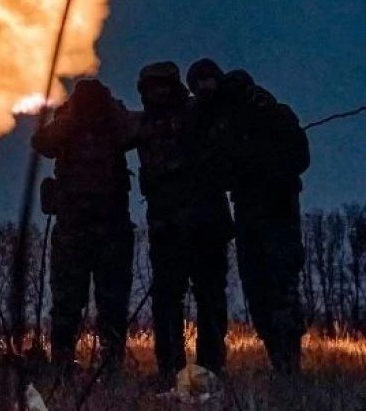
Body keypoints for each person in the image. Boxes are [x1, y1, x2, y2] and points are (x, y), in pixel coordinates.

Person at [187, 59, 309, 374]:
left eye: (206, 81)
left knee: (280, 287)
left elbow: (297, 156)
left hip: (277, 209)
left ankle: (288, 366)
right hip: (247, 211)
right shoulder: (213, 118)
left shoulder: (259, 106)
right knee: (257, 290)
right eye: (197, 85)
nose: (203, 89)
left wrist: (259, 167)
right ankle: (280, 362)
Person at [132, 62, 232, 387]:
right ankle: (170, 371)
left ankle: (210, 370)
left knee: (210, 298)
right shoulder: (143, 124)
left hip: (205, 226)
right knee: (167, 301)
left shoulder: (198, 113)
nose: (158, 92)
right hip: (167, 230)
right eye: (152, 87)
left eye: (163, 85)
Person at [32, 79, 137, 379]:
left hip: (107, 230)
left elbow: (134, 132)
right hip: (77, 230)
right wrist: (72, 116)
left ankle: (109, 367)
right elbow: (42, 142)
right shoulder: (69, 124)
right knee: (68, 304)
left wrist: (106, 111)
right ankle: (64, 366)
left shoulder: (113, 123)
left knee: (110, 304)